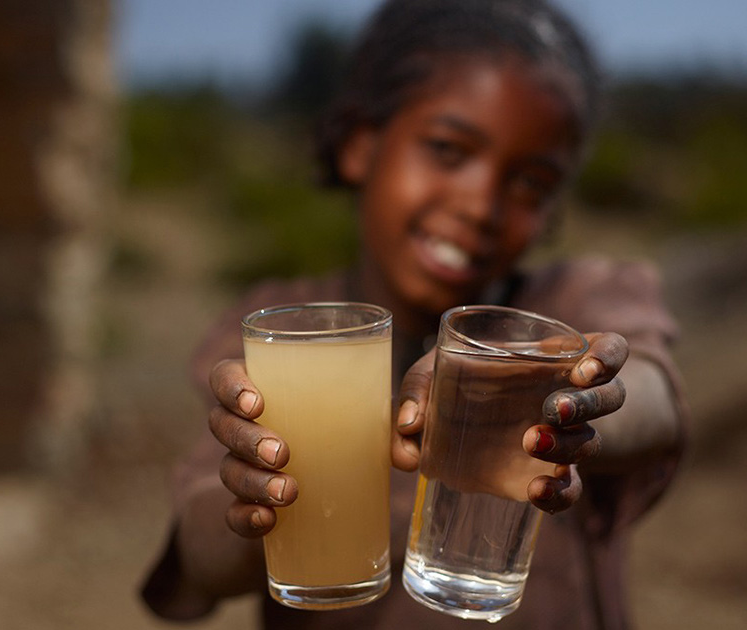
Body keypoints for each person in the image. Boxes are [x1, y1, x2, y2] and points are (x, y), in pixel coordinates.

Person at [140, 1, 687, 628]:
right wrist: (251, 501)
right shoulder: (275, 334)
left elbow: (653, 394)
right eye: (448, 150)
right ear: (358, 147)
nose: (481, 205)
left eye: (530, 184)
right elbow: (198, 546)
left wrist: (559, 400)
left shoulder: (573, 303)